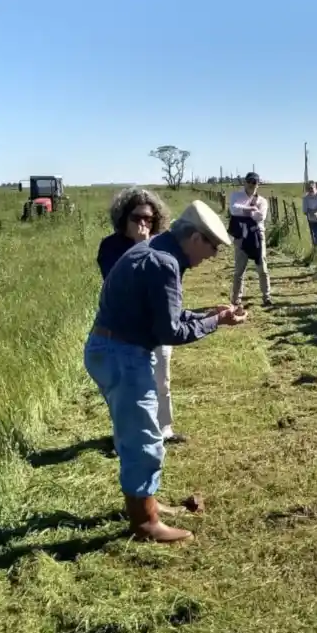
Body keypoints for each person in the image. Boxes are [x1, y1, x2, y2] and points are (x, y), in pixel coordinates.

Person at [85, 199, 246, 543]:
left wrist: (207, 314)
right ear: (195, 238)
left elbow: (163, 315)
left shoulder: (156, 250)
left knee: (140, 433)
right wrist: (216, 321)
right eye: (212, 246)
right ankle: (145, 523)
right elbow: (169, 331)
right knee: (144, 440)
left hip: (113, 348)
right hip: (123, 354)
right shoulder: (163, 262)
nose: (212, 255)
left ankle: (148, 503)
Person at [96, 187, 185, 443]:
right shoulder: (110, 246)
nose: (143, 223)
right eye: (137, 218)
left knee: (161, 379)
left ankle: (164, 428)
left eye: (149, 219)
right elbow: (119, 282)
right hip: (124, 328)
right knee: (128, 386)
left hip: (156, 324)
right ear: (123, 217)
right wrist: (140, 244)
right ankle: (126, 435)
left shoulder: (161, 244)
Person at [229, 172, 272, 307]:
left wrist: (245, 211)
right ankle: (236, 299)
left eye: (255, 182)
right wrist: (251, 209)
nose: (252, 184)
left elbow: (261, 217)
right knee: (239, 269)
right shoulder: (236, 196)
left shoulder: (262, 201)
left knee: (262, 267)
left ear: (258, 184)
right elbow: (233, 210)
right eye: (249, 181)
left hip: (258, 235)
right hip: (241, 236)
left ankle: (266, 296)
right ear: (245, 182)